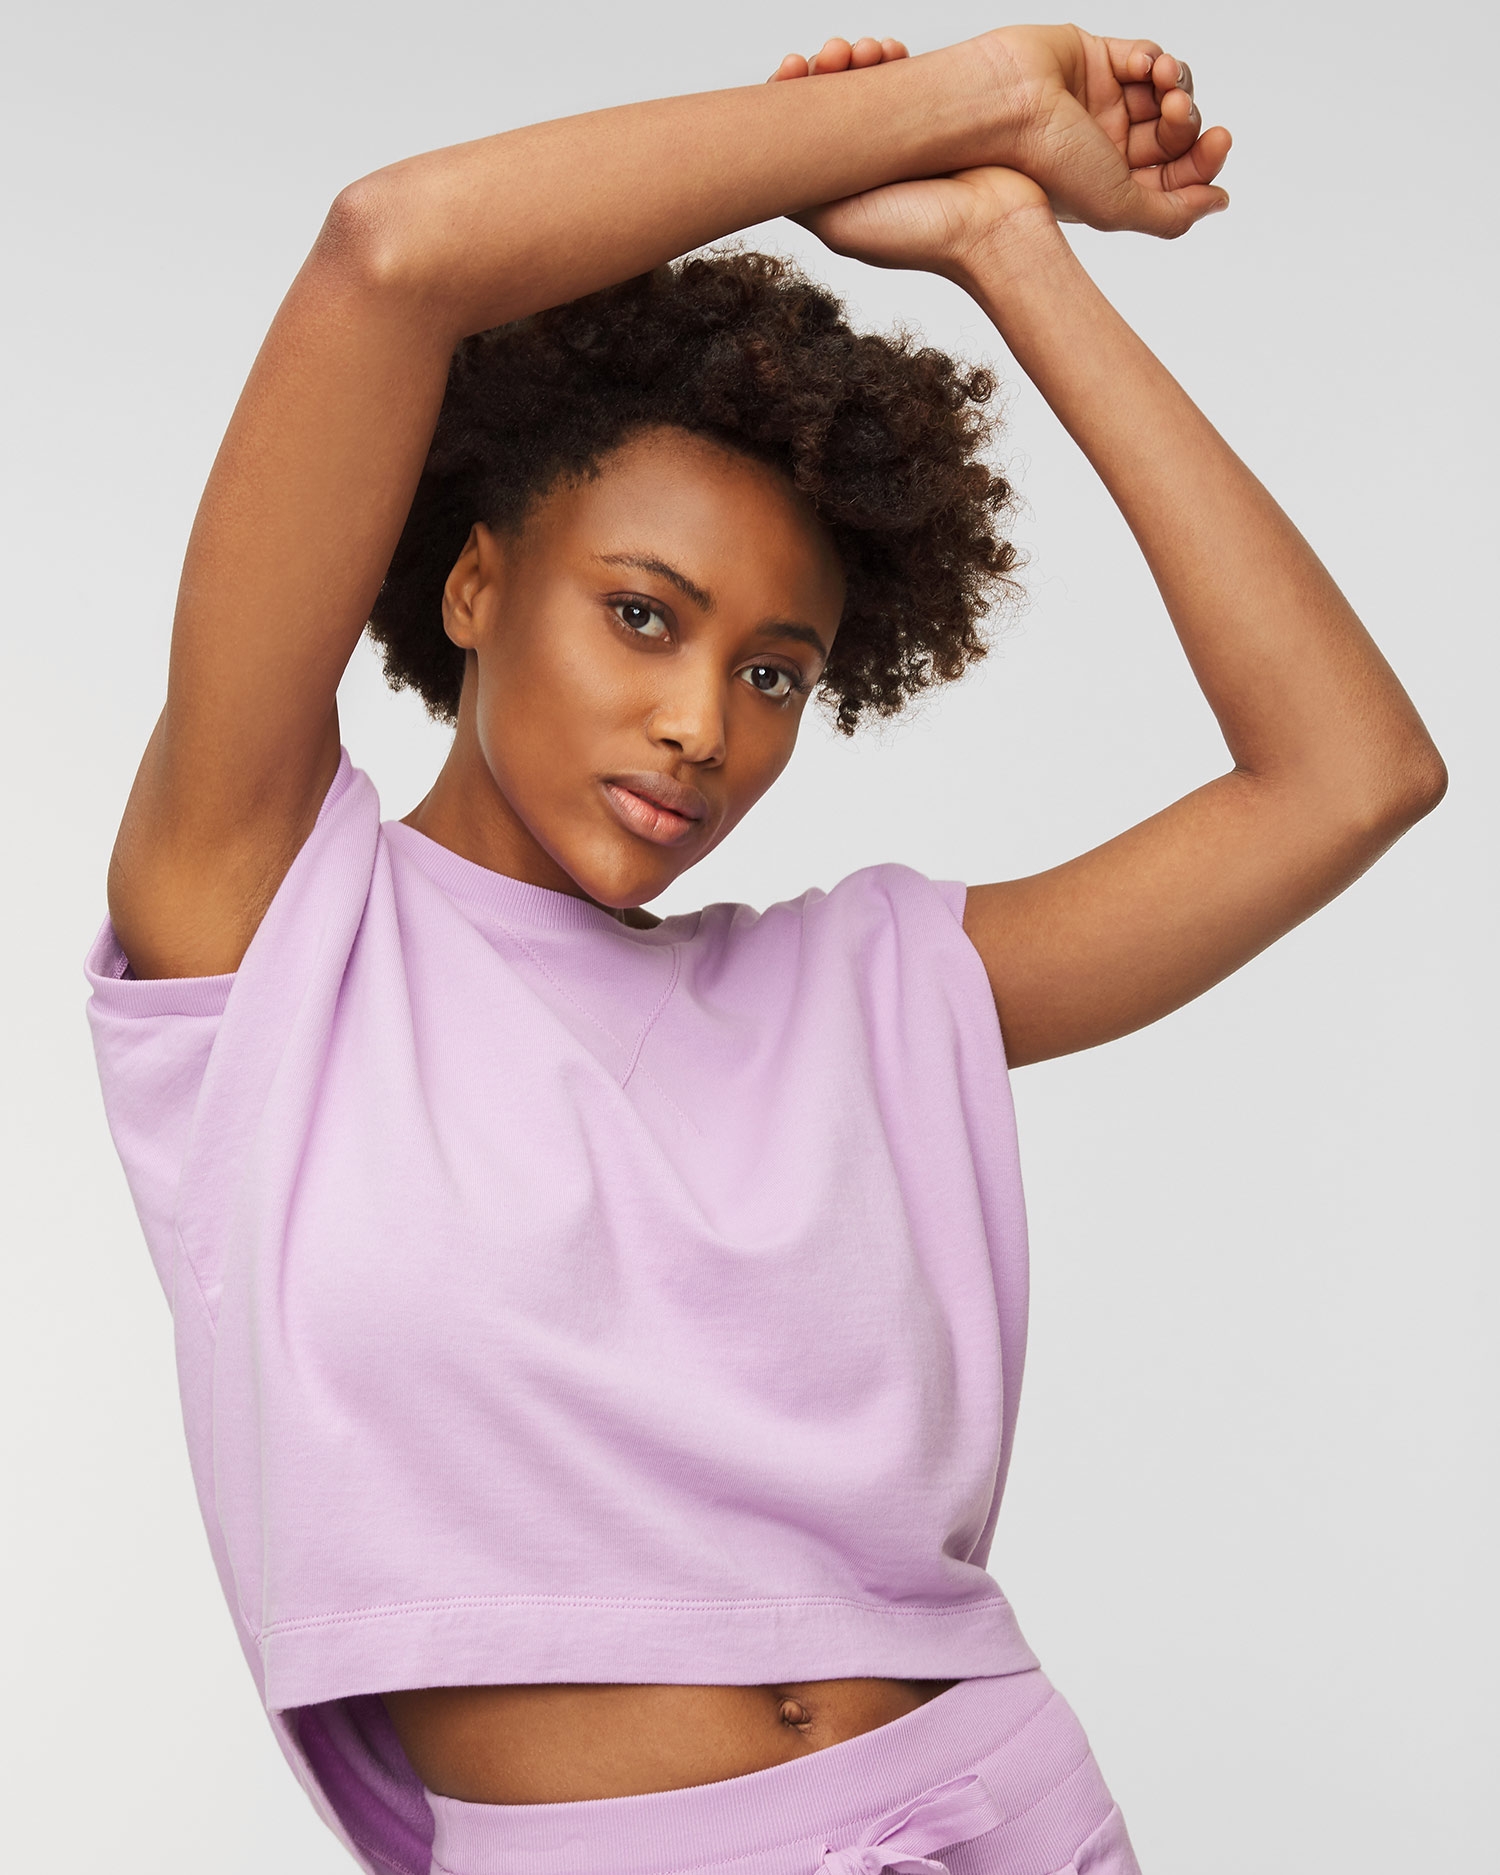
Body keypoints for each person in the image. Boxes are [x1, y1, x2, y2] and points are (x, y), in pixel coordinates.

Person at [82, 22, 1446, 1875]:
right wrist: (951, 102)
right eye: (644, 616)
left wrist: (1006, 242)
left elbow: (1353, 775)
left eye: (776, 673)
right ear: (474, 584)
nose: (700, 726)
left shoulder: (866, 982)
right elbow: (389, 253)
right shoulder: (270, 930)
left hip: (1006, 1808)